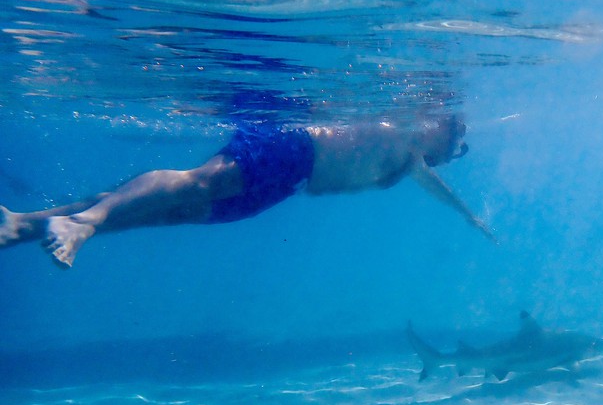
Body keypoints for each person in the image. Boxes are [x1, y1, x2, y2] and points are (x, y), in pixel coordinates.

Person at [0, 114, 493, 268]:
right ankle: (84, 222)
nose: (454, 148)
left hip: (288, 182)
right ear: (437, 125)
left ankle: (25, 224)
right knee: (195, 183)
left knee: (172, 210)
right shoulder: (402, 125)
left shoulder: (411, 162)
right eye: (455, 138)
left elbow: (438, 188)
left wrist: (469, 216)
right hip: (293, 146)